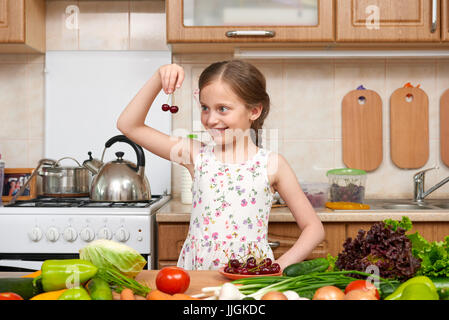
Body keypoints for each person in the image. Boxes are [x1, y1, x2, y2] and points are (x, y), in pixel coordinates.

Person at [117, 60, 325, 271]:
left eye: (222, 109)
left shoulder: (272, 164)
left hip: (249, 278)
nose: (211, 119)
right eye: (205, 108)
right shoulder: (195, 155)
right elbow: (129, 125)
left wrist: (280, 265)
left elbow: (314, 228)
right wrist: (158, 78)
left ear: (254, 111)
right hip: (198, 274)